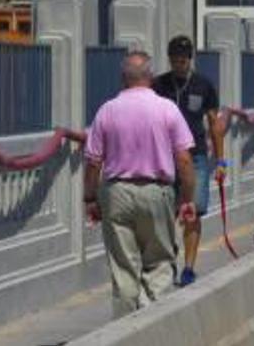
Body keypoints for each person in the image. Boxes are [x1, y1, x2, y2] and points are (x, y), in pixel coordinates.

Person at [84, 51, 197, 316]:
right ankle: (154, 328)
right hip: (157, 192)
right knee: (158, 265)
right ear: (151, 77)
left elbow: (93, 162)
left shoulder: (107, 110)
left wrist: (91, 199)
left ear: (123, 78)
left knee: (124, 269)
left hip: (117, 193)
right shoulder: (167, 108)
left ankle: (126, 333)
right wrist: (187, 199)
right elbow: (184, 161)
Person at [154, 36, 225, 287]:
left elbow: (214, 124)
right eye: (174, 60)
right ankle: (167, 263)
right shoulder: (159, 85)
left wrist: (220, 161)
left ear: (190, 59)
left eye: (182, 60)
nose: (178, 64)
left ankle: (188, 267)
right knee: (166, 213)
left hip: (195, 158)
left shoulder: (203, 85)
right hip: (165, 157)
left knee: (193, 213)